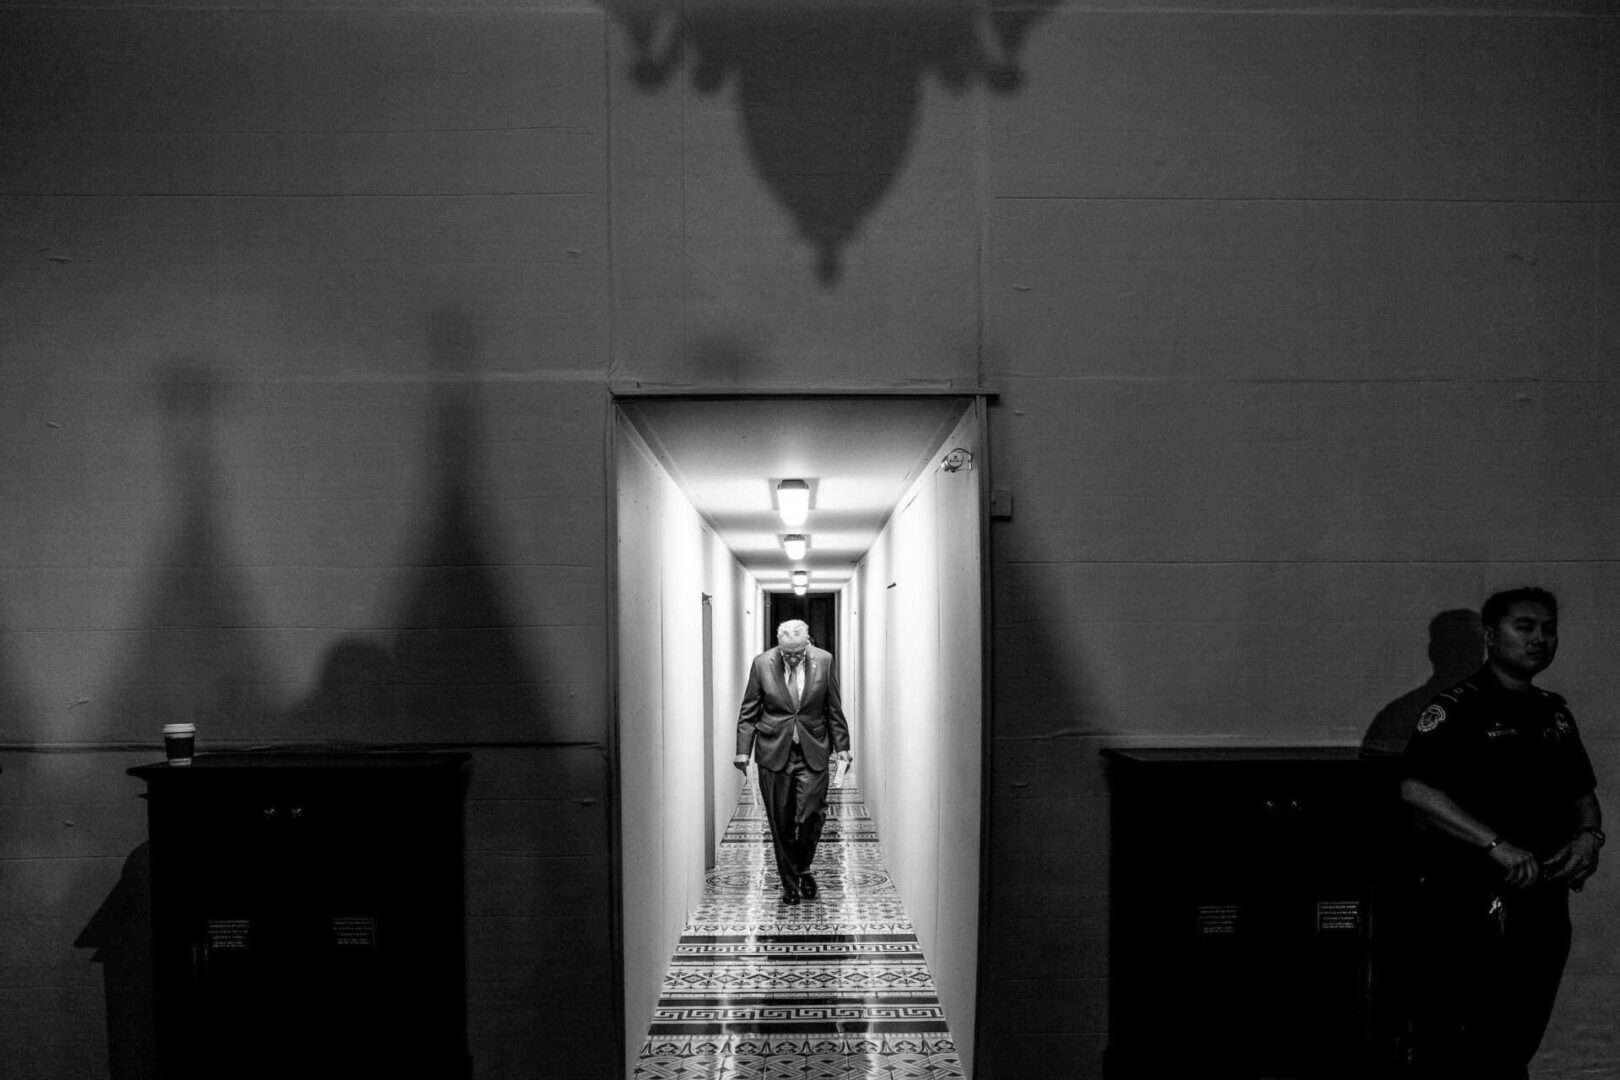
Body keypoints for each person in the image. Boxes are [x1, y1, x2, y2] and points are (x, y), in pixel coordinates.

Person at [1399, 587, 1604, 1080]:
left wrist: (1589, 835)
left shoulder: (1552, 710)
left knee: (1521, 1031)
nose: (1539, 639)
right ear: (1491, 637)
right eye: (1525, 627)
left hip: (1544, 895)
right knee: (1470, 1033)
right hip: (1475, 898)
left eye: (1548, 629)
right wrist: (1495, 844)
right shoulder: (1458, 707)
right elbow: (1416, 790)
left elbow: (1582, 792)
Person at [734, 619, 852, 905]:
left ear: (808, 643)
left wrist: (843, 747)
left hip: (813, 749)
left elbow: (833, 707)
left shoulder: (824, 661)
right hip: (774, 753)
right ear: (779, 646)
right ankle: (790, 884)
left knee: (812, 815)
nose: (793, 658)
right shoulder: (762, 664)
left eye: (798, 652)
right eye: (787, 653)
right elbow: (749, 710)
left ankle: (802, 867)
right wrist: (742, 751)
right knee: (780, 822)